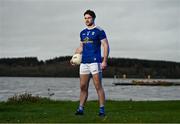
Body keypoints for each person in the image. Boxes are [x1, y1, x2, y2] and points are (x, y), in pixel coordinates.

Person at [70, 9, 110, 117]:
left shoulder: (99, 31)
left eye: (89, 18)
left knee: (98, 86)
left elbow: (105, 45)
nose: (87, 20)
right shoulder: (82, 33)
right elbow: (81, 47)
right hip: (84, 63)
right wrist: (73, 58)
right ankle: (80, 109)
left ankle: (102, 109)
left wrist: (104, 60)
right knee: (83, 87)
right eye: (85, 18)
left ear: (93, 18)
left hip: (95, 62)